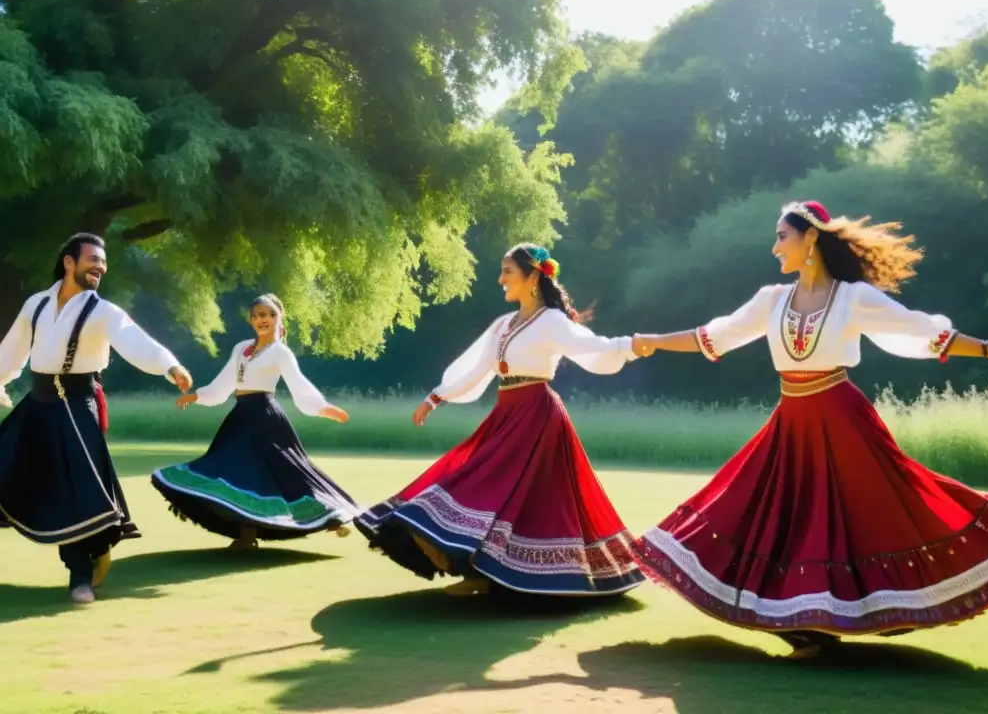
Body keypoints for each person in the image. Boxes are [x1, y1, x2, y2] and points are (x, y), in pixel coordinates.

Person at [629, 201, 988, 658]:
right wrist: (655, 342)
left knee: (871, 508)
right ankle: (808, 625)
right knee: (774, 513)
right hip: (792, 419)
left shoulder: (854, 298)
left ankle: (859, 612)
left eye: (782, 236)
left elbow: (922, 333)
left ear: (810, 237)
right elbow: (714, 336)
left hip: (841, 419)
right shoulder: (771, 300)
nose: (775, 246)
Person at [355, 243, 650, 597]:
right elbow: (477, 366)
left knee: (513, 496)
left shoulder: (553, 322)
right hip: (507, 413)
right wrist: (436, 396)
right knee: (479, 485)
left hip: (537, 417)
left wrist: (630, 346)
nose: (500, 279)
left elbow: (593, 348)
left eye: (508, 271)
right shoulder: (503, 325)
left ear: (533, 277)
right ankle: (476, 572)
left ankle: (488, 576)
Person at [0, 233, 193, 604]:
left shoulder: (103, 312)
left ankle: (80, 576)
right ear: (69, 262)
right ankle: (99, 542)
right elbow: (11, 353)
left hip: (77, 405)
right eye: (92, 260)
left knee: (77, 489)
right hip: (38, 403)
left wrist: (172, 366)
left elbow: (136, 341)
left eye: (103, 262)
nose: (100, 267)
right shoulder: (36, 305)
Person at [151, 294, 364, 549]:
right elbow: (226, 381)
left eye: (269, 314)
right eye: (258, 315)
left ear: (278, 318)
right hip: (240, 417)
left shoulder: (280, 352)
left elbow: (298, 383)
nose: (263, 319)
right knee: (240, 472)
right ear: (251, 320)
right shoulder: (242, 348)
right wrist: (198, 395)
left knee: (288, 471)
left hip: (265, 417)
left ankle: (332, 517)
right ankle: (246, 535)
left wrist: (322, 407)